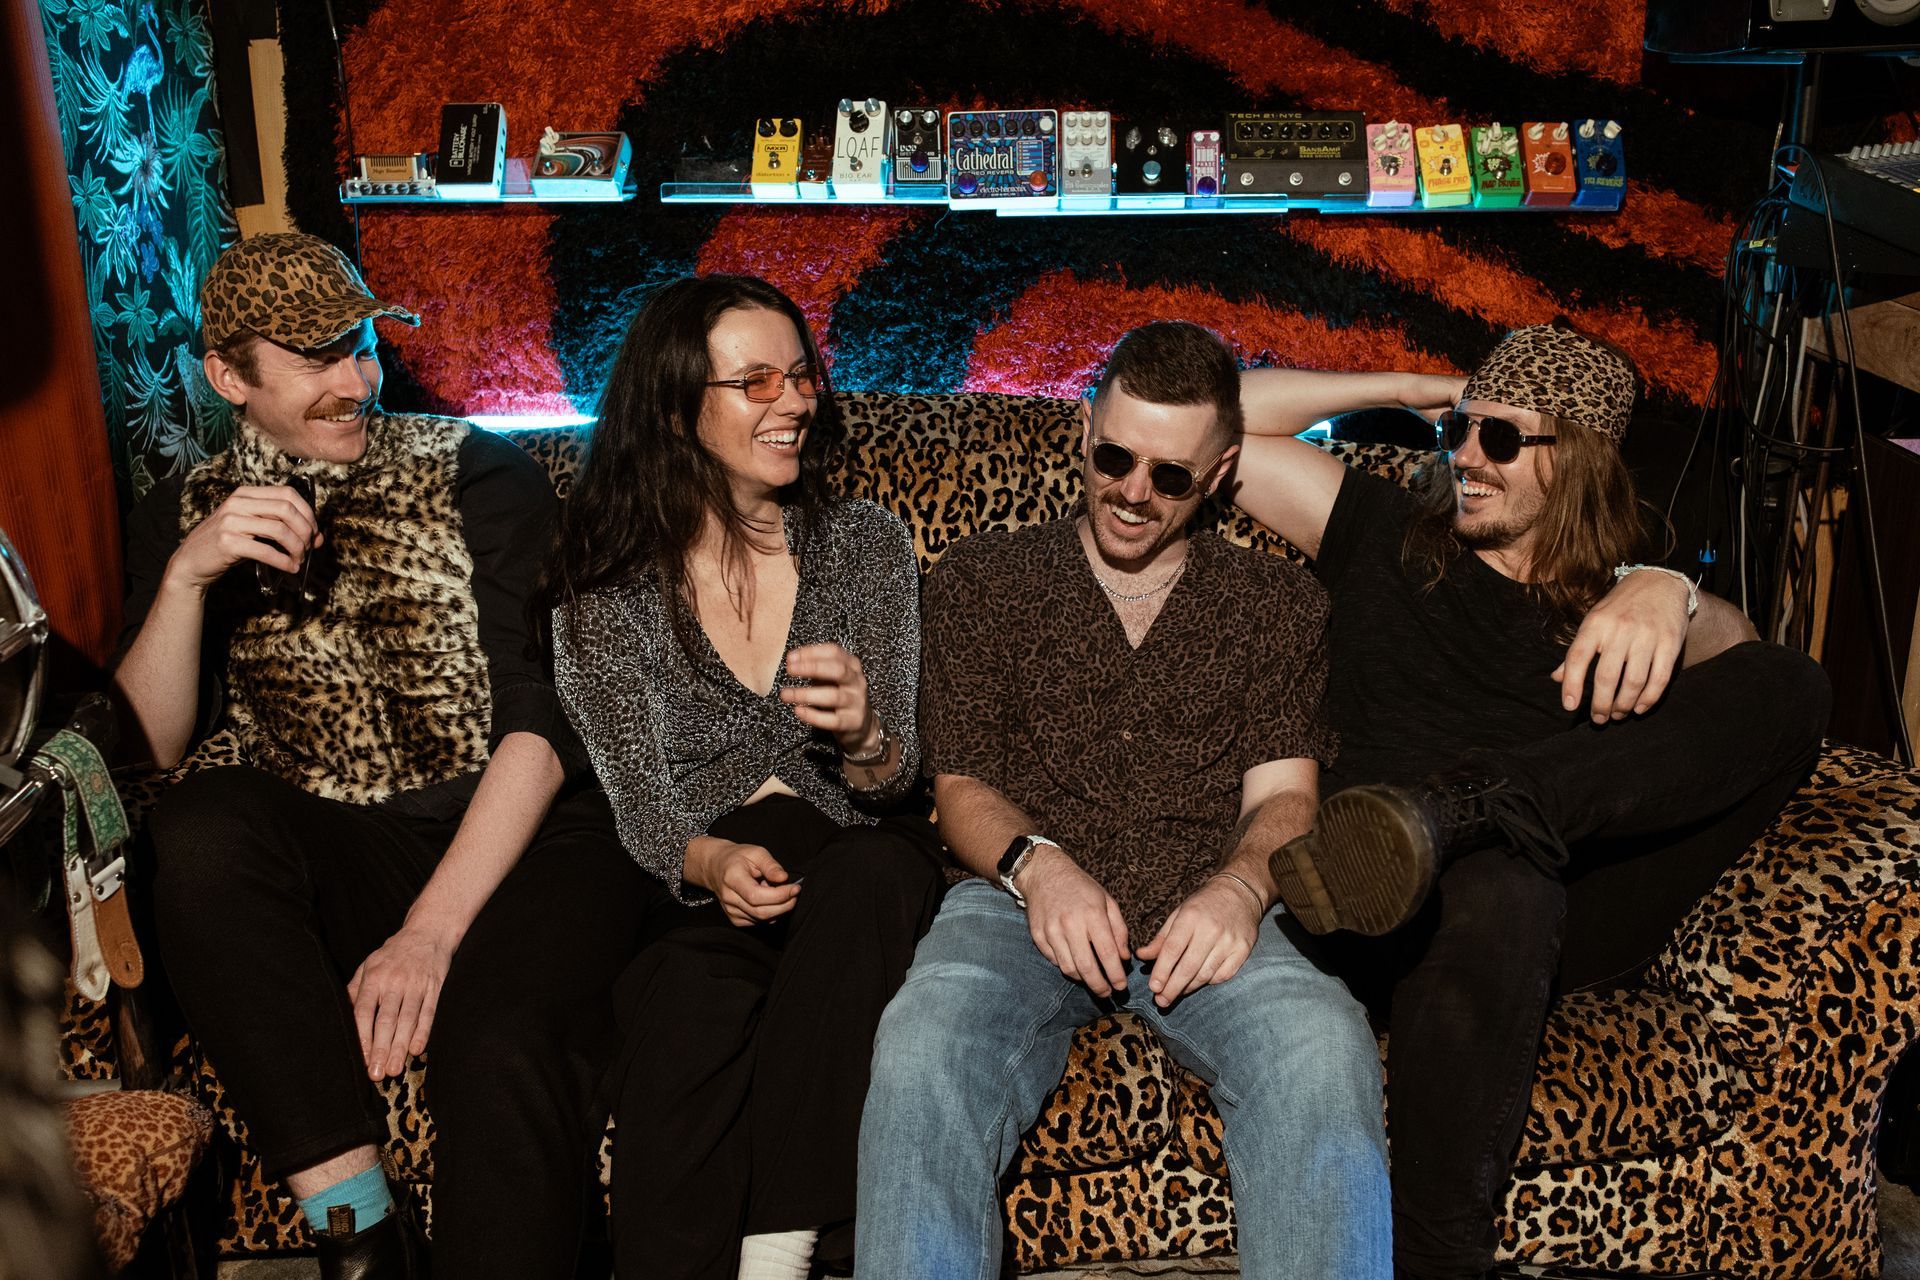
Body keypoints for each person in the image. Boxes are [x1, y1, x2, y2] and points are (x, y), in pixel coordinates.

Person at [111, 233, 667, 1280]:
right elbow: (148, 750)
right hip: (343, 842)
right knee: (196, 830)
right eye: (318, 357)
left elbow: (546, 728)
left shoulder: (480, 472)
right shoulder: (180, 515)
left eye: (362, 346)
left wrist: (429, 933)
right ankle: (361, 1239)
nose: (356, 380)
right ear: (230, 375)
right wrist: (187, 577)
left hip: (533, 836)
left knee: (497, 1039)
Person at [1232, 323, 1831, 1280]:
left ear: (1580, 461)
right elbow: (1207, 418)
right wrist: (1415, 384)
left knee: (1797, 687)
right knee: (1504, 885)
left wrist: (1665, 589)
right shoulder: (1381, 530)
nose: (1467, 457)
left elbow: (1751, 668)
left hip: (1561, 882)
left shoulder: (1614, 606)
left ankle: (1476, 805)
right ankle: (1440, 1262)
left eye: (1502, 441)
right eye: (1462, 433)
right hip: (1376, 887)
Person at [857, 321, 1392, 1280]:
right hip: (1017, 901)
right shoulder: (985, 579)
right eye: (1115, 457)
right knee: (922, 1043)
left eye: (1172, 476)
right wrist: (1039, 866)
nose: (1133, 494)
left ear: (1223, 472)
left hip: (1205, 902)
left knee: (1322, 1044)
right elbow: (961, 786)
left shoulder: (1276, 604)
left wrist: (1237, 890)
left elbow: (1286, 798)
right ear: (1085, 430)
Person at [541, 274, 946, 1280]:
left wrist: (862, 735)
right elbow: (638, 795)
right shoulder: (608, 589)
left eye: (801, 374)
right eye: (755, 379)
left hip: (853, 845)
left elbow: (897, 780)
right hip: (713, 870)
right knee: (689, 993)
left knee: (873, 878)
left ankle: (779, 1247)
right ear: (679, 406)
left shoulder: (863, 544)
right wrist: (708, 855)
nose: (794, 400)